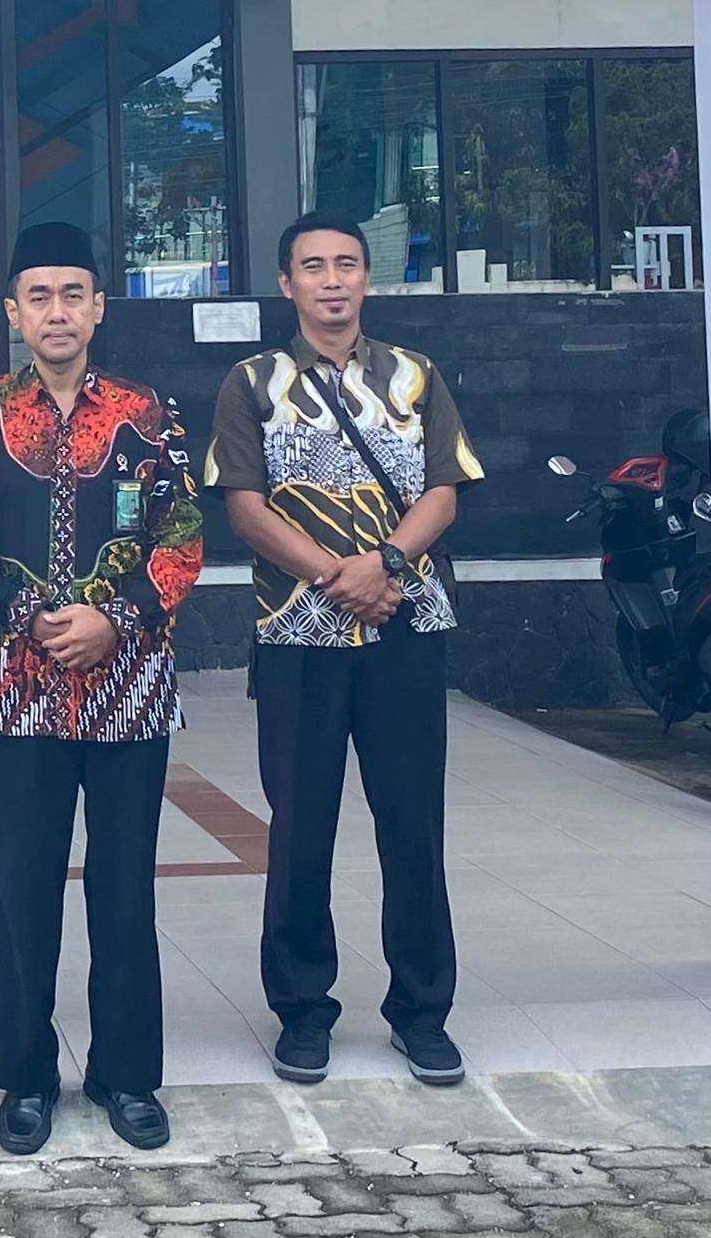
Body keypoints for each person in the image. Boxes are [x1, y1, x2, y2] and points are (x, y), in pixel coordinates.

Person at [0, 222, 201, 1155]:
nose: (57, 311)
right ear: (14, 310)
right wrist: (30, 614)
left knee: (125, 888)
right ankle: (27, 1077)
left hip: (130, 689)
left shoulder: (146, 410)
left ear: (98, 306)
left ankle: (127, 1073)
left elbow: (182, 534)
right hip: (21, 687)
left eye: (73, 293)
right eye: (39, 295)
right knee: (24, 890)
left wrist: (112, 617)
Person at [209, 214, 484, 1091]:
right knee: (300, 828)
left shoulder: (416, 375)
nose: (331, 279)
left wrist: (386, 564)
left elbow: (444, 490)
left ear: (367, 277)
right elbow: (244, 507)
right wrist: (340, 577)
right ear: (285, 283)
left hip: (407, 628)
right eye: (313, 266)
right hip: (299, 633)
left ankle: (422, 1011)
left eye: (347, 264)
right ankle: (302, 1010)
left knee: (413, 825)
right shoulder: (251, 382)